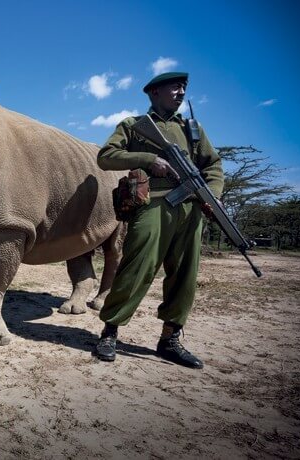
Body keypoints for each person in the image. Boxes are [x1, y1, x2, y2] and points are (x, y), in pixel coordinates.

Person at [94, 72, 224, 369]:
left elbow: (213, 164)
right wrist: (147, 160)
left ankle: (170, 339)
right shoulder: (134, 126)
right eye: (174, 87)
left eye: (184, 88)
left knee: (185, 275)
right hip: (153, 204)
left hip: (190, 208)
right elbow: (107, 156)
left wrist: (213, 192)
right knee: (137, 267)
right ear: (154, 92)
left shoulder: (192, 129)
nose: (180, 92)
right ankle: (110, 331)